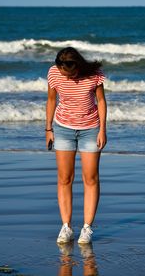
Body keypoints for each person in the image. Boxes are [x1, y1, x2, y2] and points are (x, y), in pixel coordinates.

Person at [45, 47, 107, 244]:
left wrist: (103, 130)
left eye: (70, 73)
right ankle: (66, 227)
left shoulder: (94, 75)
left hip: (91, 129)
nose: (67, 76)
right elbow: (51, 99)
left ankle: (87, 228)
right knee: (65, 178)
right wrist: (48, 129)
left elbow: (101, 101)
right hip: (63, 128)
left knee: (90, 178)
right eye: (63, 71)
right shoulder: (54, 72)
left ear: (77, 66)